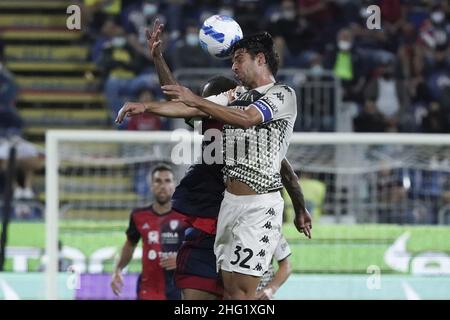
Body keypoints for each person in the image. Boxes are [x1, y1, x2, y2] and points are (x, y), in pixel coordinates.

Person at [116, 27, 310, 300]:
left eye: (239, 58)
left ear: (261, 59)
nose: (233, 66)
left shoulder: (282, 94)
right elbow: (188, 107)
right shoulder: (235, 95)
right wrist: (146, 107)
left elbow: (248, 119)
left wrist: (299, 207)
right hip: (229, 204)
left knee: (243, 295)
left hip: (259, 206)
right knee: (231, 293)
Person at [110, 164, 188, 300]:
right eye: (158, 181)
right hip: (148, 290)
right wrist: (118, 270)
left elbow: (200, 248)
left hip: (179, 291)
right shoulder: (139, 216)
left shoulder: (187, 216)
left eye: (167, 181)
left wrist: (182, 260)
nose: (163, 186)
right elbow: (130, 245)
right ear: (151, 186)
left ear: (174, 185)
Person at [255, 234, 292, 300]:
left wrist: (270, 289)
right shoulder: (233, 229)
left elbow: (286, 266)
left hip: (261, 295)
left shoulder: (273, 231)